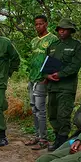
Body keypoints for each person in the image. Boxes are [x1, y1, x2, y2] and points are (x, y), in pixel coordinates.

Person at [43, 18, 81, 151]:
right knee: (52, 114)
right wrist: (47, 75)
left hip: (66, 87)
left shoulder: (76, 46)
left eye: (65, 29)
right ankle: (57, 138)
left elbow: (75, 66)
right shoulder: (53, 46)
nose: (62, 31)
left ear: (70, 31)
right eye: (60, 29)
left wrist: (59, 75)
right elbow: (46, 65)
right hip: (52, 87)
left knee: (63, 115)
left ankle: (61, 142)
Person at [24, 15, 58, 150]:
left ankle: (44, 139)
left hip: (42, 79)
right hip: (32, 78)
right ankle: (37, 136)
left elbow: (54, 59)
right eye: (36, 24)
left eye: (40, 24)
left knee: (40, 109)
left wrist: (46, 77)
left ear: (46, 24)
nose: (38, 26)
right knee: (33, 109)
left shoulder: (52, 39)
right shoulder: (33, 41)